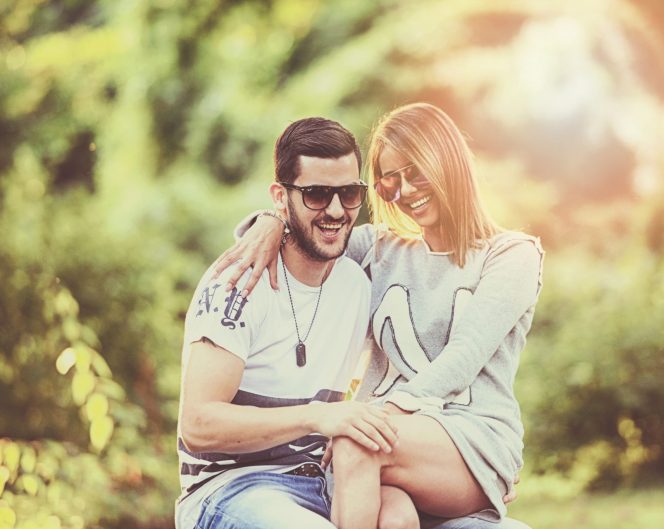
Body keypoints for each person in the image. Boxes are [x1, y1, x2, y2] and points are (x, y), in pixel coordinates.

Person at [215, 102, 544, 529]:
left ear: (449, 162)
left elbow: (465, 356)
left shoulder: (512, 255)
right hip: (383, 449)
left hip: (467, 438)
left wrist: (372, 415)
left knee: (356, 441)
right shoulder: (378, 248)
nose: (405, 191)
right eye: (390, 182)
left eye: (416, 172)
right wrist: (270, 221)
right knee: (393, 518)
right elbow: (307, 234)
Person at [175, 117, 401, 529]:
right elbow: (199, 424)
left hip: (325, 482)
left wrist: (481, 460)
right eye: (316, 194)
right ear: (281, 197)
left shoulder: (359, 279)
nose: (336, 210)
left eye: (349, 193)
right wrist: (316, 416)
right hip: (230, 488)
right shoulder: (238, 283)